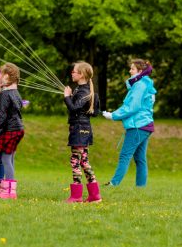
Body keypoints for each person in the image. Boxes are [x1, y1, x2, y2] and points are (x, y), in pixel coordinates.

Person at [103, 59, 156, 188]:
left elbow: (132, 106)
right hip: (145, 126)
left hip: (138, 126)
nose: (129, 71)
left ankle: (114, 184)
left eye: (132, 69)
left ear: (140, 71)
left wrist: (113, 115)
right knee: (140, 159)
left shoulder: (140, 85)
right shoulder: (145, 84)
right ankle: (141, 187)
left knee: (125, 155)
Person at [63, 61, 102, 203]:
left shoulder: (83, 92)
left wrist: (67, 96)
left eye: (74, 71)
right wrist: (72, 96)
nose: (71, 73)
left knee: (75, 160)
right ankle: (94, 195)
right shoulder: (85, 91)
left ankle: (76, 195)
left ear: (81, 74)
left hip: (79, 129)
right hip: (85, 128)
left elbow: (73, 109)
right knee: (84, 161)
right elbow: (94, 112)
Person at [0, 62, 24, 199]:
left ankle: (9, 191)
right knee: (10, 158)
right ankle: (7, 189)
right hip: (19, 129)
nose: (0, 78)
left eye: (2, 75)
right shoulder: (15, 93)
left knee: (5, 158)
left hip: (10, 130)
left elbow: (2, 117)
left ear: (9, 77)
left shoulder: (5, 95)